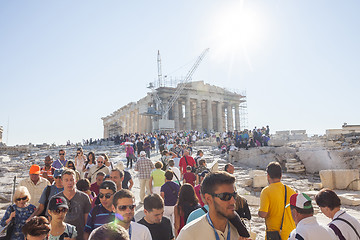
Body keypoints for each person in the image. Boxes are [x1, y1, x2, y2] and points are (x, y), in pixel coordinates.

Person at [177, 171, 248, 240]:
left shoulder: (239, 231)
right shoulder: (189, 234)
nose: (233, 201)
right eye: (226, 196)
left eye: (234, 195)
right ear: (208, 198)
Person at [258, 161, 296, 240]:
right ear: (281, 175)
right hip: (291, 233)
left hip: (275, 234)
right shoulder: (291, 191)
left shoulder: (266, 191)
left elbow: (263, 214)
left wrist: (259, 212)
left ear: (268, 175)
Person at [54, 168, 92, 240]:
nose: (69, 183)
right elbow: (52, 221)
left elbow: (87, 222)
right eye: (66, 180)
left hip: (80, 236)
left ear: (75, 181)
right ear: (62, 182)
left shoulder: (84, 198)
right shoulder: (56, 199)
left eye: (71, 180)